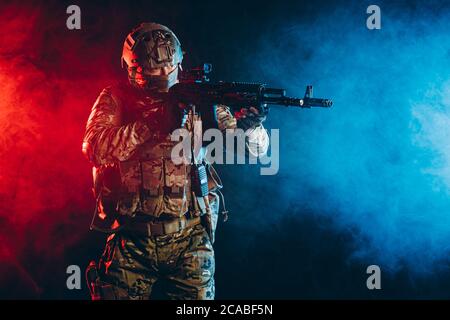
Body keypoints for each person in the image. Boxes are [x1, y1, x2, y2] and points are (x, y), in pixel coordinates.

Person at [82, 22, 269, 300]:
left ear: (179, 63)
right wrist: (150, 124)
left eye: (170, 68)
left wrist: (252, 126)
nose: (164, 74)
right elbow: (94, 148)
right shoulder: (117, 98)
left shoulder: (199, 100)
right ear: (134, 69)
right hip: (132, 239)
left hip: (189, 238)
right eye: (155, 69)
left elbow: (254, 152)